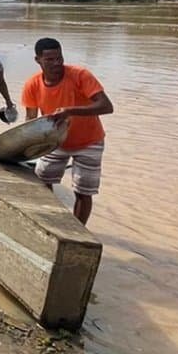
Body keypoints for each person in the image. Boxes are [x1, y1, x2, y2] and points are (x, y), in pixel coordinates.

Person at [22, 37, 114, 226]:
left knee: (83, 190)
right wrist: (25, 147)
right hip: (55, 141)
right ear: (38, 60)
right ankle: (50, 223)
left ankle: (78, 230)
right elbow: (30, 120)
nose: (56, 64)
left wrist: (70, 111)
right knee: (41, 181)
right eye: (50, 60)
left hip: (89, 141)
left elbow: (107, 106)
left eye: (59, 58)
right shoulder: (33, 84)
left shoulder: (80, 75)